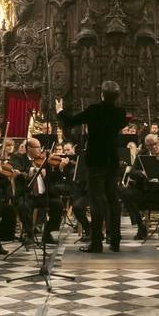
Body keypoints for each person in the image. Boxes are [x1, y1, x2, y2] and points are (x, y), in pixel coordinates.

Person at [56, 80, 127, 253]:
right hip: (112, 159)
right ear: (117, 96)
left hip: (96, 159)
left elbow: (72, 121)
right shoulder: (120, 113)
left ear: (102, 94)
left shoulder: (94, 109)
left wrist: (60, 111)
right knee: (112, 199)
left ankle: (96, 243)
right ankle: (115, 241)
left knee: (97, 201)